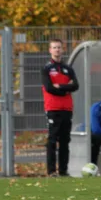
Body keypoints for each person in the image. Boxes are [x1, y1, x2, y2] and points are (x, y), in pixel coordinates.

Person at [41, 38, 79, 177]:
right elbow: (49, 88)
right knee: (52, 139)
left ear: (62, 49)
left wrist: (61, 86)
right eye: (54, 47)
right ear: (50, 50)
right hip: (53, 108)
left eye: (59, 47)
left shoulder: (68, 69)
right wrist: (66, 88)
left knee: (65, 140)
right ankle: (51, 171)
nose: (57, 50)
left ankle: (63, 171)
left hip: (67, 108)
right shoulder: (46, 69)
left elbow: (75, 85)